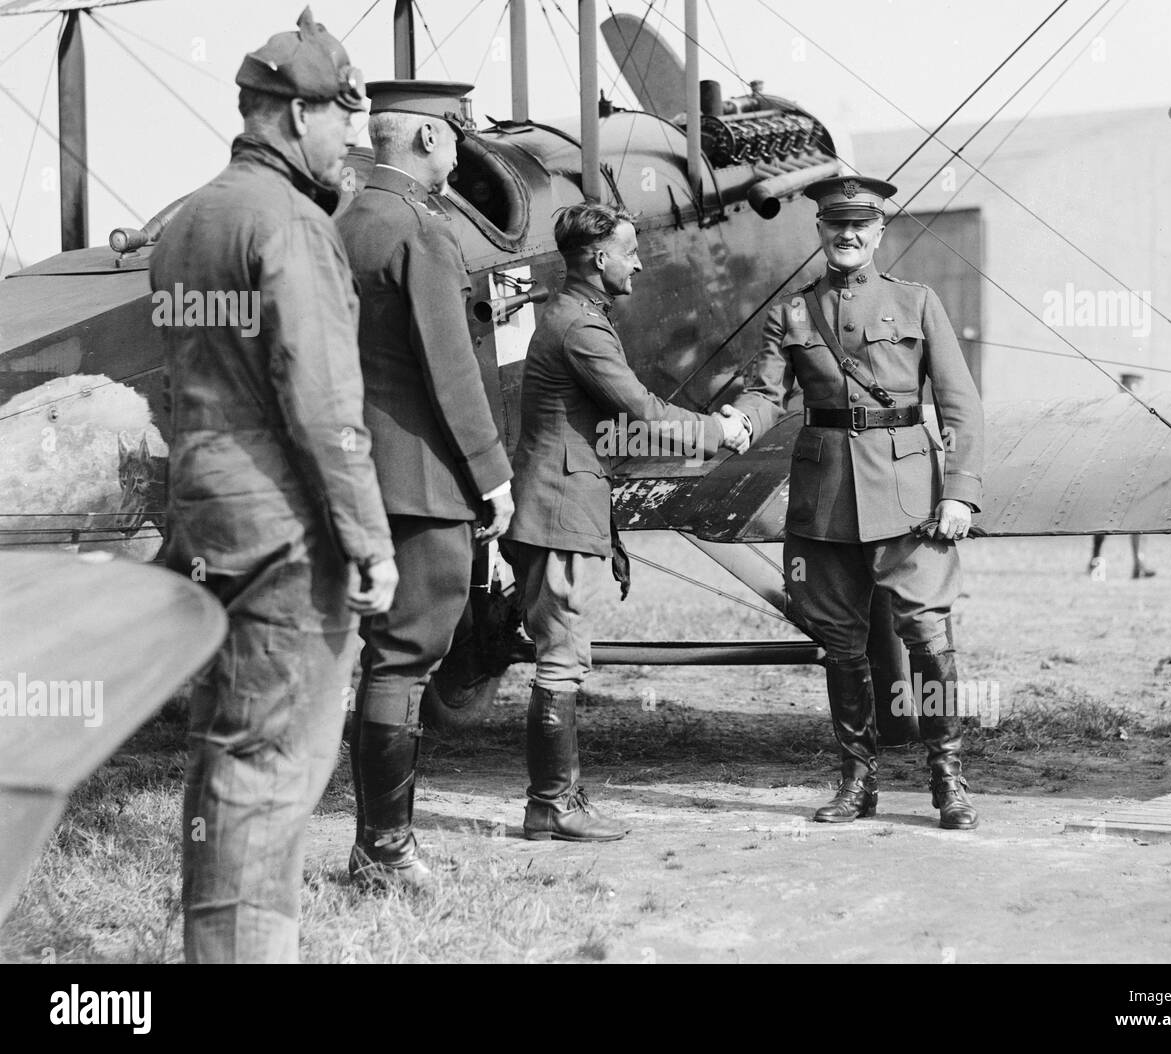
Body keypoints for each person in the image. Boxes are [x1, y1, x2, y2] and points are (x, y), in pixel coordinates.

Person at [151, 8, 399, 963]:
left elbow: (187, 383)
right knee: (274, 769)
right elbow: (325, 406)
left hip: (207, 520)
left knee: (225, 756)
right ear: (298, 116)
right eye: (345, 116)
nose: (354, 139)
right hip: (286, 533)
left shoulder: (191, 222)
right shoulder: (291, 224)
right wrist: (370, 542)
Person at [731, 175, 983, 831]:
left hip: (911, 504)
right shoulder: (792, 313)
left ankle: (948, 780)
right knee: (842, 648)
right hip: (826, 504)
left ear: (878, 233)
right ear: (819, 231)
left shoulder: (917, 302)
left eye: (859, 226)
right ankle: (856, 782)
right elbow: (765, 396)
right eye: (834, 224)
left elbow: (960, 407)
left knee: (929, 641)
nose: (846, 235)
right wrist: (736, 423)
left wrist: (960, 492)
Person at [501, 203, 748, 842]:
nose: (638, 261)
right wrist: (719, 429)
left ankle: (555, 801)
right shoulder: (581, 328)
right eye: (629, 250)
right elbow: (641, 409)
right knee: (561, 659)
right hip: (559, 510)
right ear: (596, 258)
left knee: (564, 654)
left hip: (561, 506)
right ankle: (551, 805)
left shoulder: (571, 317)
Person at [336, 80, 514, 889]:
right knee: (405, 659)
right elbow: (451, 370)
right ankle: (386, 851)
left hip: (353, 468)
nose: (457, 152)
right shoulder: (421, 230)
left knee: (379, 659)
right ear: (429, 139)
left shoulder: (345, 224)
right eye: (452, 136)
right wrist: (492, 475)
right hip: (421, 481)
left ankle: (373, 841)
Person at [1088, 373, 1154, 580]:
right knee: (1104, 520)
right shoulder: (1112, 410)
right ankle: (1096, 559)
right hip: (1114, 472)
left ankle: (1138, 564)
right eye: (1132, 386)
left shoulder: (1141, 412)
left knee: (1139, 519)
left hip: (1134, 470)